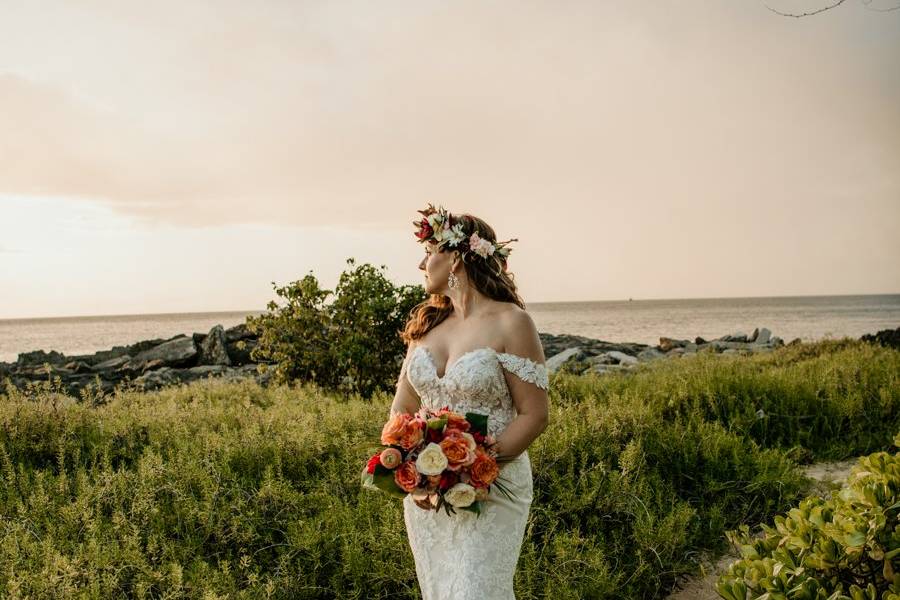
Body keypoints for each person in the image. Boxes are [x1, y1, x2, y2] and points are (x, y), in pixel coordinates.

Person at [389, 203, 550, 599]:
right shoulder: (425, 325)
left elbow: (534, 413)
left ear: (457, 257)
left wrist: (470, 470)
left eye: (430, 251)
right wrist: (421, 475)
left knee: (475, 592)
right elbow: (401, 409)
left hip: (493, 487)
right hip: (427, 496)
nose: (421, 262)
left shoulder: (511, 322)